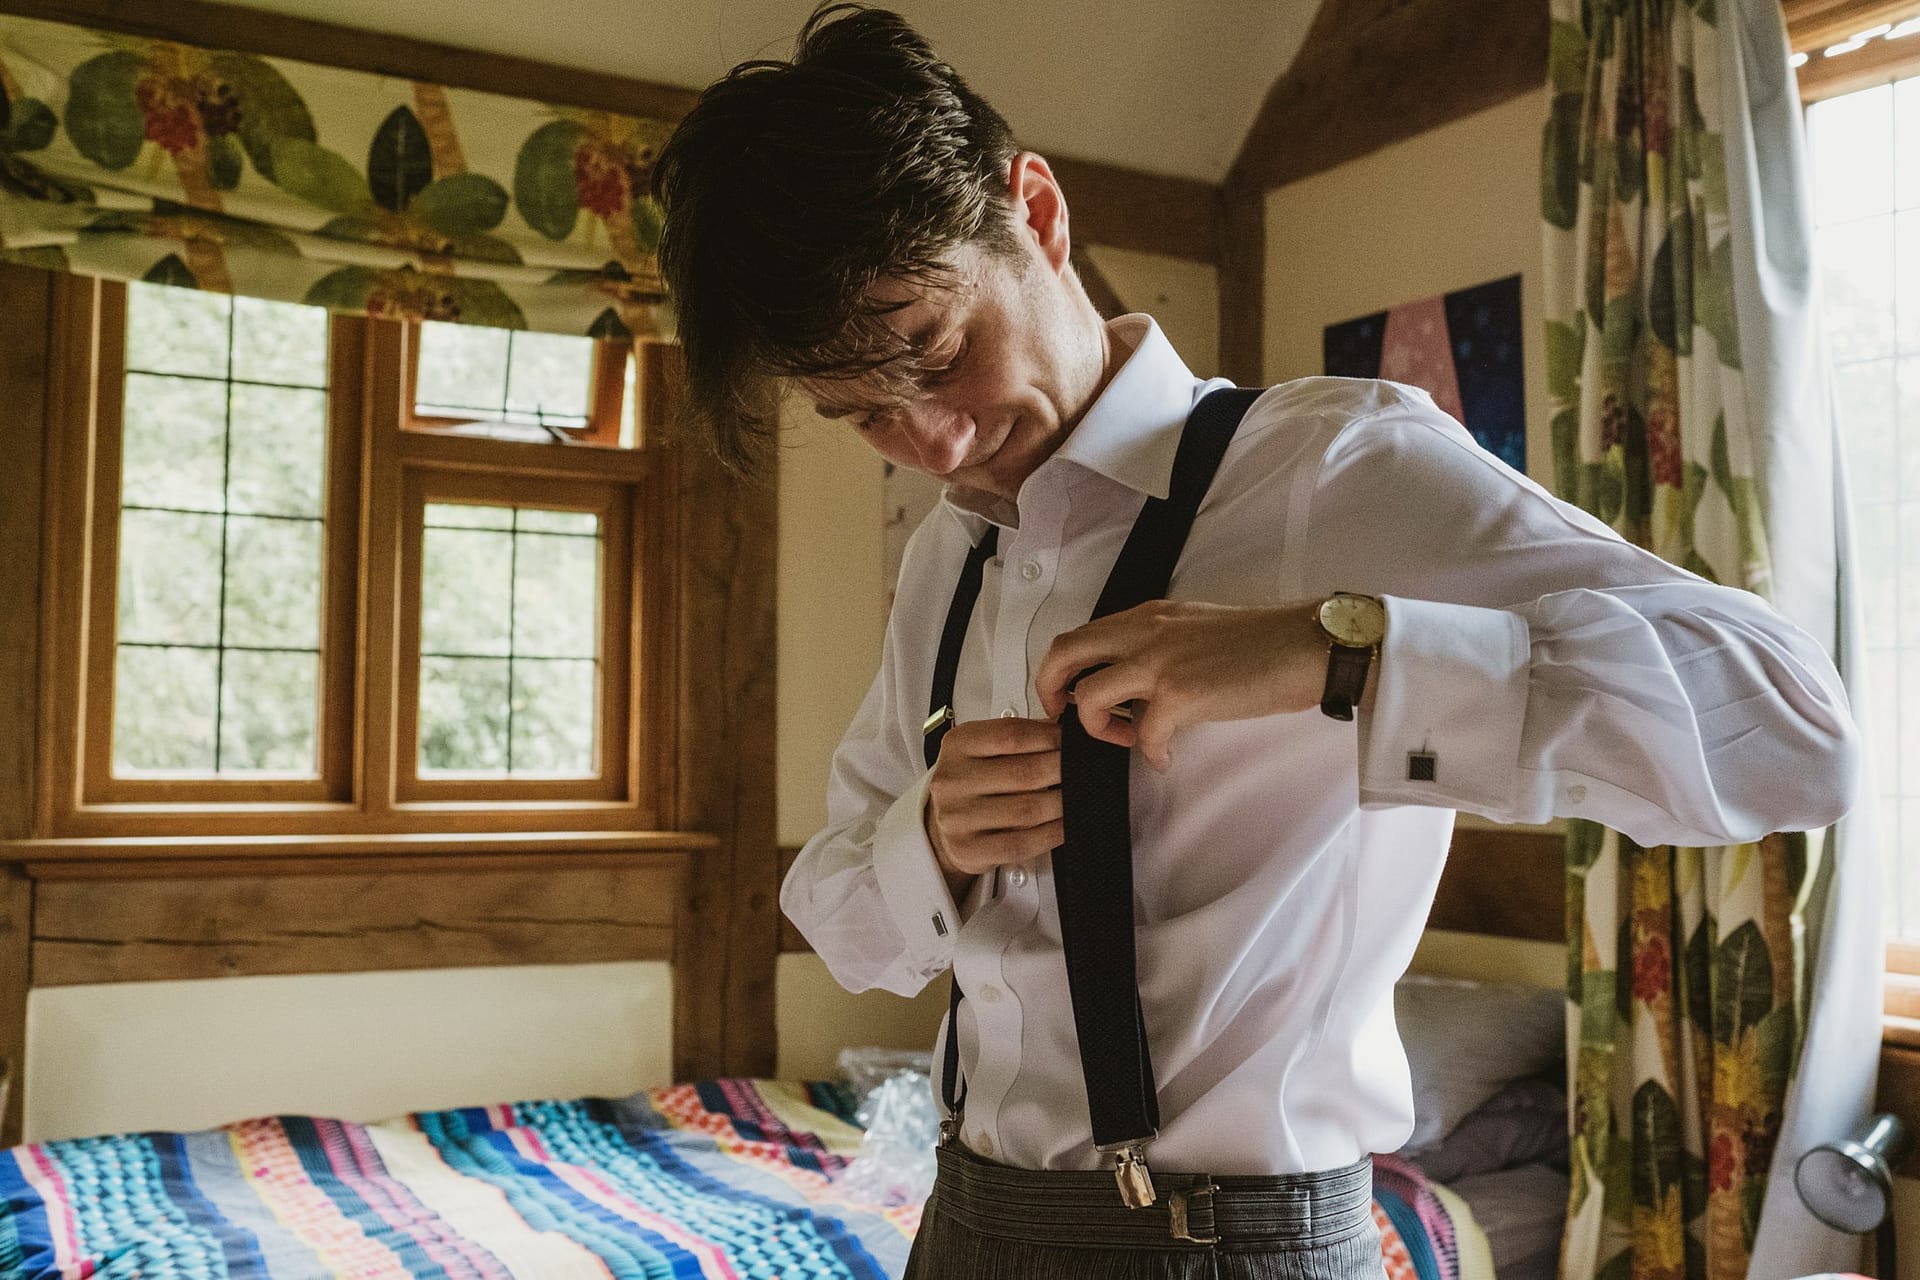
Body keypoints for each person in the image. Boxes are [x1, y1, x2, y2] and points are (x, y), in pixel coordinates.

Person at [651, 6, 1860, 1276]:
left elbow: (1798, 732)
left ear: (1037, 212)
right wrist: (935, 835)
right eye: (861, 415)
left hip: (1229, 1242)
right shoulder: (950, 557)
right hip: (964, 1225)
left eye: (937, 353)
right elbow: (843, 915)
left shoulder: (1342, 468)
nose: (934, 442)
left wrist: (1339, 651)